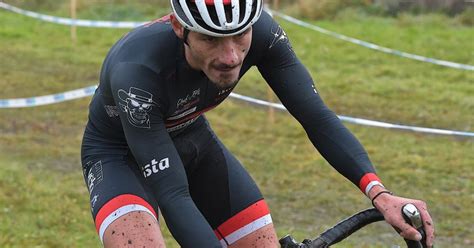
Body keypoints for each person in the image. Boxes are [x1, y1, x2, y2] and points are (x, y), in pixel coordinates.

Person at [80, 0, 435, 247]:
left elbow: (316, 116)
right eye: (210, 39)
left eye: (240, 36)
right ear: (179, 27)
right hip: (118, 156)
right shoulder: (138, 70)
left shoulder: (263, 34)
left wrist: (380, 193)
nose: (230, 55)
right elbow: (173, 194)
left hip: (191, 139)